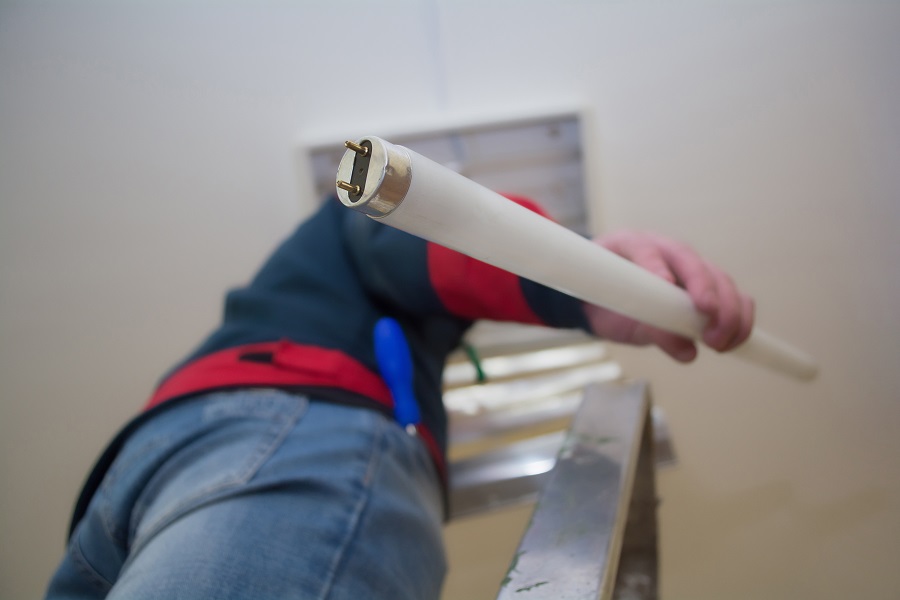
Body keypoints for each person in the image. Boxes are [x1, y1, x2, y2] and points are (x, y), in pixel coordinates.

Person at [45, 194, 753, 600]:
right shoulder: (360, 226)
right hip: (296, 433)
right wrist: (584, 278)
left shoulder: (291, 301)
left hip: (136, 474)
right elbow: (421, 227)